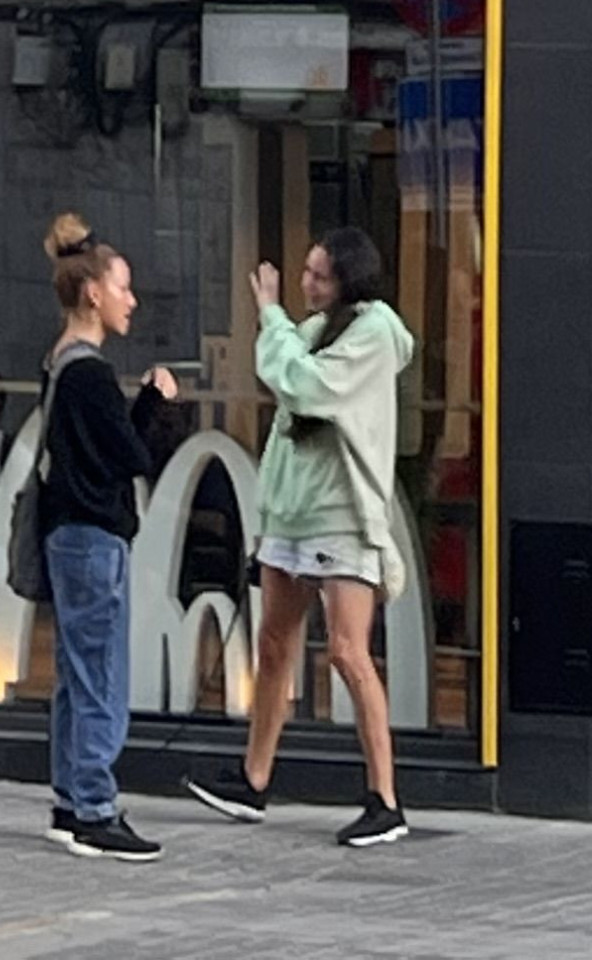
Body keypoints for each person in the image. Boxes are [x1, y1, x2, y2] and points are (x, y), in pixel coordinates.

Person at [185, 229, 421, 849]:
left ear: (350, 280)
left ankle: (384, 798)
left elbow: (304, 385)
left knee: (347, 651)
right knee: (274, 642)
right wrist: (280, 325)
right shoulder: (317, 328)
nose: (306, 283)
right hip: (292, 511)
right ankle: (253, 778)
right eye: (306, 270)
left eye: (319, 275)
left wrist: (269, 314)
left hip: (341, 513)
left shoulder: (372, 332)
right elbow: (288, 376)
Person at [34, 213, 192, 865]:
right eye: (123, 287)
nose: (131, 300)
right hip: (93, 535)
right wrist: (155, 404)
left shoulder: (59, 362)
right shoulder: (91, 373)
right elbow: (129, 454)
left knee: (76, 672)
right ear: (93, 292)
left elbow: (95, 450)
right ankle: (95, 805)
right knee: (99, 673)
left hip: (65, 530)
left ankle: (72, 799)